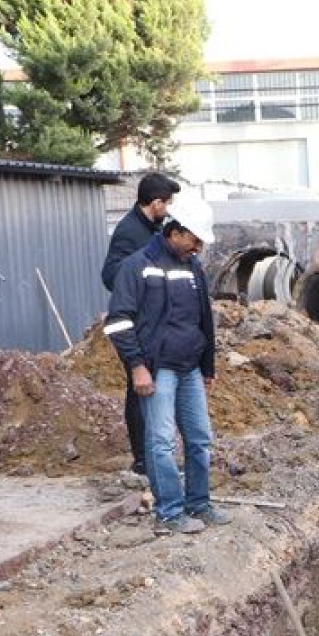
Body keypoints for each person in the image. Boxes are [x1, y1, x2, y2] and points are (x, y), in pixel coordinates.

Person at [103, 197, 230, 536]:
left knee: (199, 438)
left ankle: (198, 504)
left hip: (189, 367)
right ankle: (169, 513)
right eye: (195, 240)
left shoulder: (192, 267)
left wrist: (207, 367)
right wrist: (137, 366)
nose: (199, 247)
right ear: (175, 233)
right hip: (158, 369)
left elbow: (203, 320)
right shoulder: (137, 266)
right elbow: (118, 322)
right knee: (160, 442)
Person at [102, 173, 181, 476]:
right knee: (139, 389)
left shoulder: (153, 228)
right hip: (136, 323)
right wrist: (140, 289)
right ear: (156, 203)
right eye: (167, 203)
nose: (169, 210)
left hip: (156, 321)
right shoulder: (129, 232)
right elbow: (111, 275)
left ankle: (156, 454)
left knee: (156, 387)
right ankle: (143, 459)